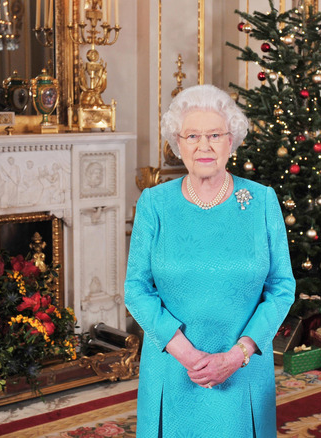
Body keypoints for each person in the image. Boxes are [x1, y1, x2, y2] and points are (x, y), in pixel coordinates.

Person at [124, 84, 296, 437]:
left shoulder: (262, 201)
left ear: (231, 141)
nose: (204, 146)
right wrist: (187, 355)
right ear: (178, 143)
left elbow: (281, 287)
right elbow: (136, 289)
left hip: (243, 369)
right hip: (173, 368)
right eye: (193, 136)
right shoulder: (154, 204)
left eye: (215, 135)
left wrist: (237, 356)